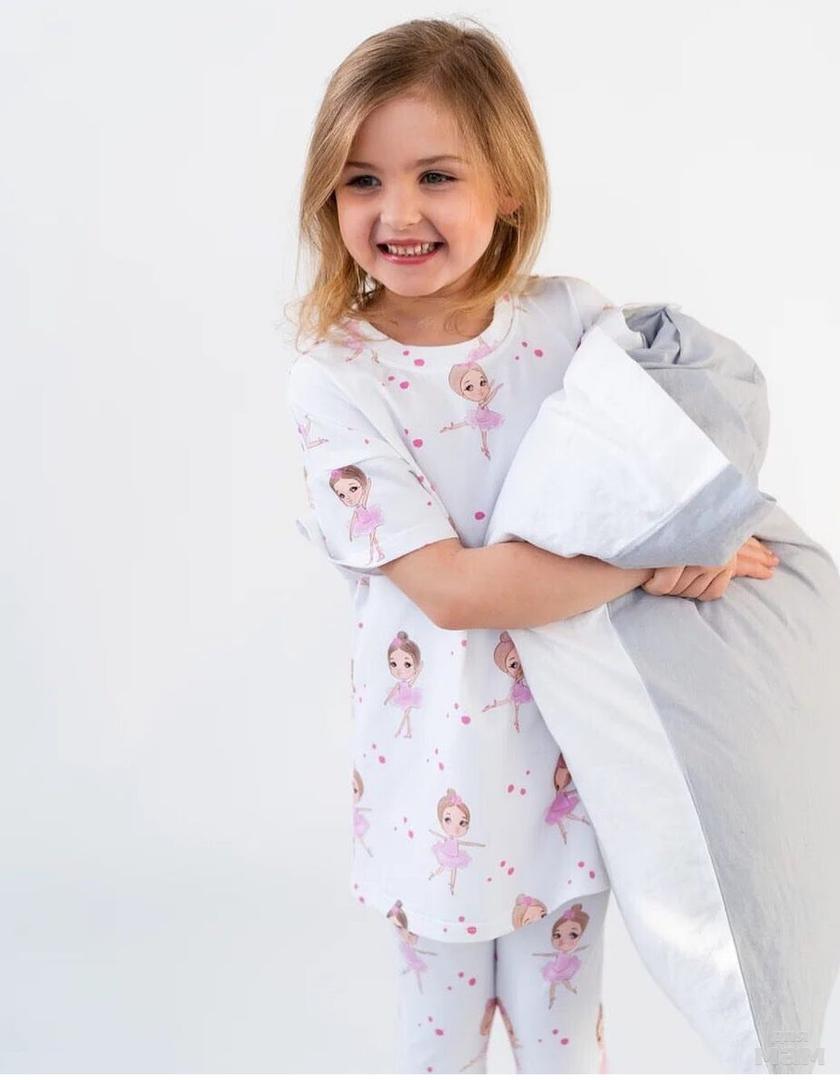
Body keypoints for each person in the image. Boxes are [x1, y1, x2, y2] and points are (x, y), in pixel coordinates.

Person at [283, 16, 779, 1073]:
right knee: (440, 1050)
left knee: (565, 1047)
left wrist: (707, 535)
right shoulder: (339, 380)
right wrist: (650, 564)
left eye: (436, 175)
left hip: (573, 776)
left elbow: (668, 456)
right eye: (363, 180)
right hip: (434, 792)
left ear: (506, 185)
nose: (398, 212)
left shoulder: (572, 326)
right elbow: (454, 592)